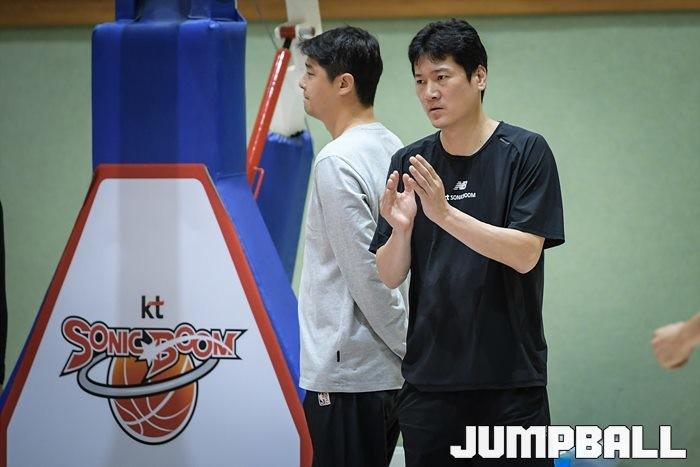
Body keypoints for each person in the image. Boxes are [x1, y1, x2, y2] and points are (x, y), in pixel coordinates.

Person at [370, 19, 565, 466]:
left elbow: (524, 254)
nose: (429, 93)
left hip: (510, 384)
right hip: (429, 385)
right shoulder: (411, 161)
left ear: (479, 76)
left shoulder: (525, 152)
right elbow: (389, 274)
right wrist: (401, 230)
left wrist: (444, 214)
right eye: (420, 81)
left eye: (442, 77)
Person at [296, 26, 408, 467]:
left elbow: (368, 275)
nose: (302, 83)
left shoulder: (336, 160)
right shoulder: (395, 147)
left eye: (310, 72)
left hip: (351, 375)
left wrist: (411, 347)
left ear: (344, 83)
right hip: (385, 375)